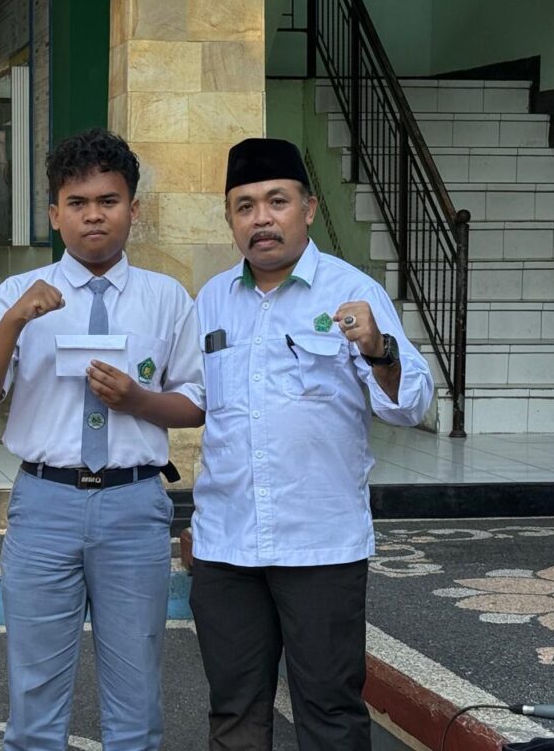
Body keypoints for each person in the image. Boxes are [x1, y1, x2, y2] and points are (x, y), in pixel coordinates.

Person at [0, 128, 204, 751]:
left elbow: (197, 402)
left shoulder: (167, 299)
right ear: (53, 214)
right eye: (77, 202)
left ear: (133, 209)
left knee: (135, 703)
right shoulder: (17, 295)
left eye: (108, 200)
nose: (94, 215)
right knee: (34, 705)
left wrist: (138, 401)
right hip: (45, 505)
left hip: (134, 505)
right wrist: (14, 321)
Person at [189, 137, 434, 751]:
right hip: (227, 543)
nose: (261, 219)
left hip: (319, 545)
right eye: (245, 206)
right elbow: (194, 398)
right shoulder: (212, 298)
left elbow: (411, 405)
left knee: (329, 711)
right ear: (230, 218)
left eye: (277, 201)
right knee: (234, 712)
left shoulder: (352, 293)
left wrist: (378, 349)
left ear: (309, 208)